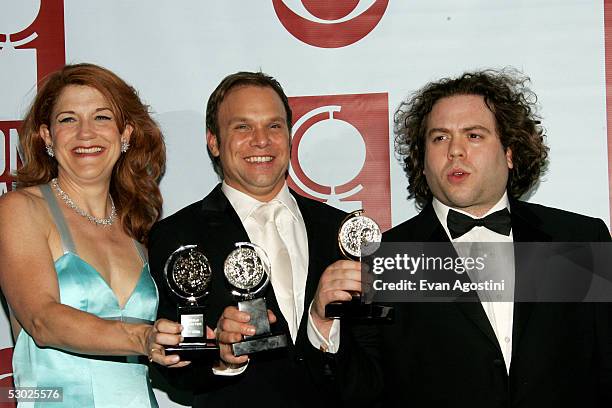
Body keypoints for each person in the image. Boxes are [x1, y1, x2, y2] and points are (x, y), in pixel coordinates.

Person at [375, 69, 612, 407]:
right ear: (422, 163)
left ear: (510, 153)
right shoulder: (389, 259)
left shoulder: (579, 239)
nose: (455, 151)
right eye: (439, 138)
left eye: (474, 135)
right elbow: (366, 388)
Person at [148, 71, 378, 407]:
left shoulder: (340, 232)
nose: (261, 140)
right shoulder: (177, 236)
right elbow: (173, 365)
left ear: (288, 135)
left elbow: (374, 365)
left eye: (274, 126)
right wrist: (222, 359)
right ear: (213, 141)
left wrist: (325, 329)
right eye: (242, 127)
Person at [0, 63, 187, 407]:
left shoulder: (139, 228)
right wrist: (142, 337)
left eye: (101, 117)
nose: (86, 133)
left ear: (126, 134)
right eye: (68, 119)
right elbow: (42, 320)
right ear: (47, 137)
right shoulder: (20, 209)